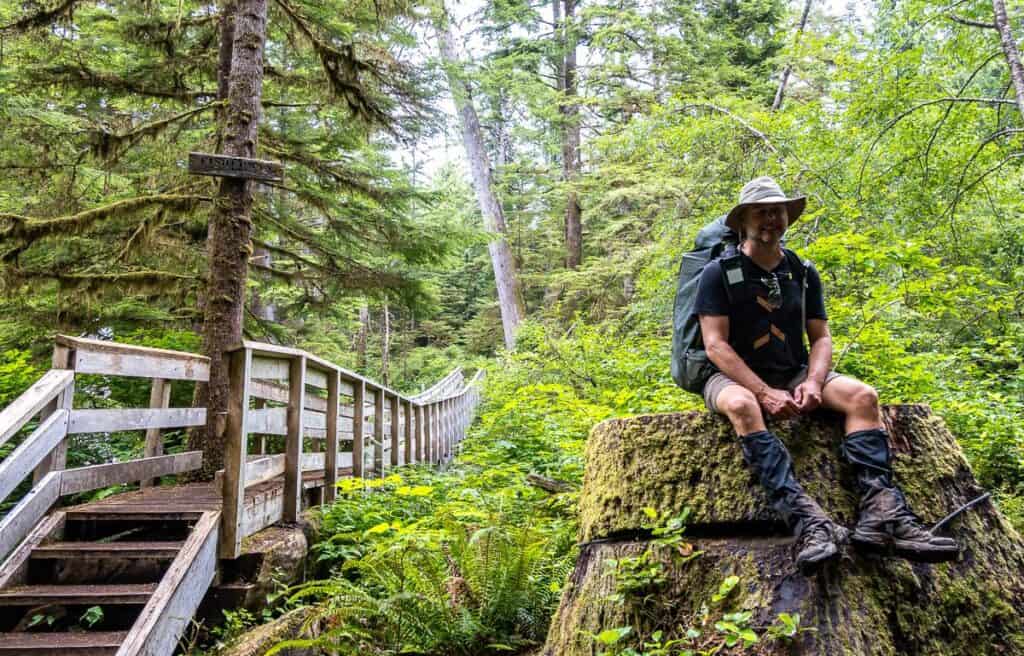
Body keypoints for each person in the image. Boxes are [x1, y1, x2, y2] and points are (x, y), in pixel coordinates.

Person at [694, 176, 958, 575]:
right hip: (732, 378)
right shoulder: (720, 273)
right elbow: (715, 345)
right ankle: (808, 523)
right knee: (742, 405)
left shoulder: (801, 271)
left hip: (795, 371)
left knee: (863, 397)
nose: (770, 220)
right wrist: (764, 392)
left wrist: (813, 382)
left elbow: (820, 337)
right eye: (761, 213)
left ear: (787, 218)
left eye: (777, 212)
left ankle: (881, 515)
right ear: (743, 222)